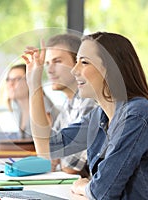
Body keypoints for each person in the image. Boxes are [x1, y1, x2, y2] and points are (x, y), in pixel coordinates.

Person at [22, 32, 148, 199]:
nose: (74, 70)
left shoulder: (137, 115)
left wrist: (83, 185)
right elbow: (46, 147)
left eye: (84, 62)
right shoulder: (100, 115)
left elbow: (102, 191)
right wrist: (34, 84)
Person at [27, 34, 97, 178]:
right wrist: (34, 84)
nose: (50, 70)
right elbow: (46, 153)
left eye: (57, 61)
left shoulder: (91, 102)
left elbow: (71, 167)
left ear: (78, 63)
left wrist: (58, 160)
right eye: (47, 64)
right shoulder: (69, 105)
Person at [5, 63, 58, 138]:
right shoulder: (17, 107)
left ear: (30, 82)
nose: (10, 84)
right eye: (8, 79)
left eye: (17, 79)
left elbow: (47, 141)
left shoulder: (43, 104)